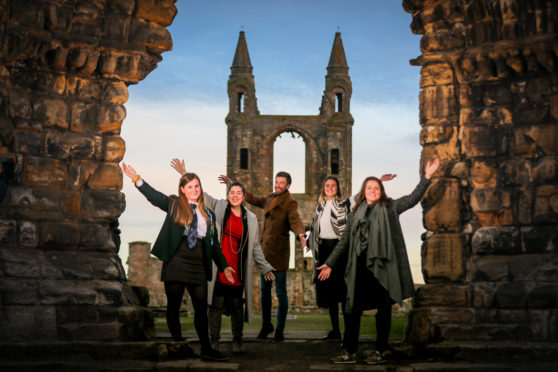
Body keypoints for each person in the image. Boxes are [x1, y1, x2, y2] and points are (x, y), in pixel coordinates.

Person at [317, 159, 439, 365]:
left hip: (383, 266)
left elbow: (412, 198)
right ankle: (349, 351)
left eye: (376, 188)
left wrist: (426, 177)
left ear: (380, 191)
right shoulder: (354, 214)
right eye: (369, 188)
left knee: (383, 308)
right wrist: (329, 263)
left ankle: (380, 350)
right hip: (360, 267)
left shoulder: (390, 207)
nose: (372, 190)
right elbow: (344, 242)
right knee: (352, 308)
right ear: (363, 191)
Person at [121, 162, 234, 361]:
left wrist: (224, 266)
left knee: (201, 309)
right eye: (189, 186)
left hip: (198, 263)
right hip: (177, 259)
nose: (194, 190)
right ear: (182, 189)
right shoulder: (174, 204)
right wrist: (137, 179)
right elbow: (155, 197)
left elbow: (214, 245)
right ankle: (178, 345)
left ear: (200, 188)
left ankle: (206, 349)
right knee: (173, 305)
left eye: (197, 186)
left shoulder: (208, 214)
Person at [170, 158, 275, 354]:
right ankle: (214, 341)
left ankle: (237, 340)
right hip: (219, 266)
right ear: (228, 195)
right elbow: (202, 194)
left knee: (236, 306)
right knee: (215, 306)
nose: (235, 196)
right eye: (231, 193)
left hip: (237, 268)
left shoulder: (251, 219)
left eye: (238, 193)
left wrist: (265, 266)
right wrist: (184, 173)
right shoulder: (218, 207)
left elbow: (254, 247)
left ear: (244, 196)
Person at [219, 171, 306, 342]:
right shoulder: (269, 197)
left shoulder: (290, 201)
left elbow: (295, 219)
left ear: (288, 185)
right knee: (265, 293)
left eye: (281, 182)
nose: (277, 184)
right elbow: (251, 198)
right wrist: (232, 185)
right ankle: (266, 326)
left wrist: (301, 234)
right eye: (276, 181)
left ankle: (279, 330)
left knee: (281, 293)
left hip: (279, 254)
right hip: (265, 254)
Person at [308, 174, 395, 341]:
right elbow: (315, 229)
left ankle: (349, 333)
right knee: (329, 293)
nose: (331, 188)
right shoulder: (319, 208)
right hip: (324, 251)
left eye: (333, 185)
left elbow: (360, 195)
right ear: (324, 189)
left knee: (344, 291)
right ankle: (335, 330)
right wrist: (309, 241)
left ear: (337, 189)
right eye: (327, 185)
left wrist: (379, 181)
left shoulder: (344, 204)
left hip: (340, 249)